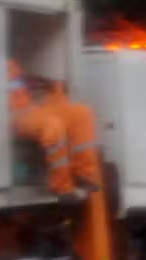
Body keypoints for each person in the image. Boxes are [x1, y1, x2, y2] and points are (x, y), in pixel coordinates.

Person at [8, 60, 99, 203]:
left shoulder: (9, 64)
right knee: (53, 126)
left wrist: (42, 84)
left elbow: (20, 86)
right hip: (14, 115)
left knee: (82, 113)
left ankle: (83, 175)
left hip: (34, 109)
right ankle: (61, 186)